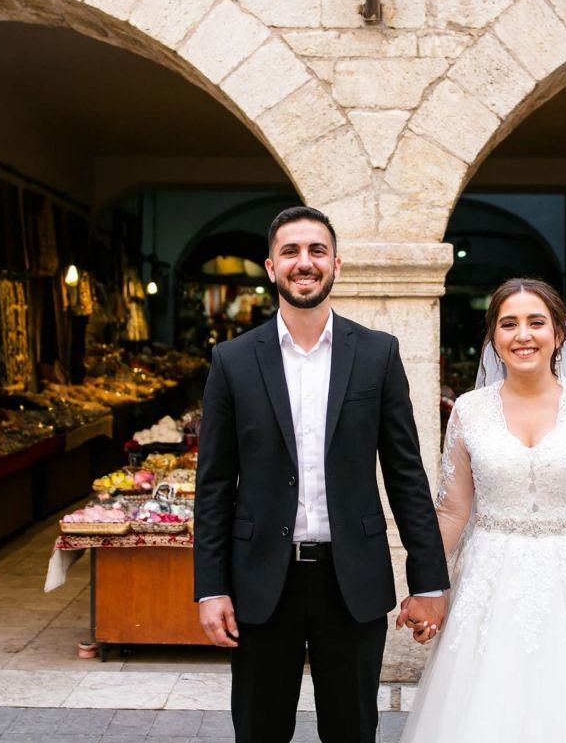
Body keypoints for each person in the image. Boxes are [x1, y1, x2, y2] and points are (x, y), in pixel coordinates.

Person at [193, 206, 450, 743]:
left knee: (352, 731)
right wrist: (210, 587)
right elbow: (214, 486)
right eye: (290, 251)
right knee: (260, 731)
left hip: (350, 580)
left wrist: (427, 581)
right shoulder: (232, 360)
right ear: (270, 267)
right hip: (262, 580)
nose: (303, 262)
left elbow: (406, 475)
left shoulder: (378, 355)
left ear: (336, 263)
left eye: (315, 251)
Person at [398, 277, 566, 742]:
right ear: (494, 339)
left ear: (558, 334)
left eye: (536, 322)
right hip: (489, 580)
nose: (522, 335)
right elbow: (450, 511)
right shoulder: (468, 411)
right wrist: (428, 587)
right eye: (508, 324)